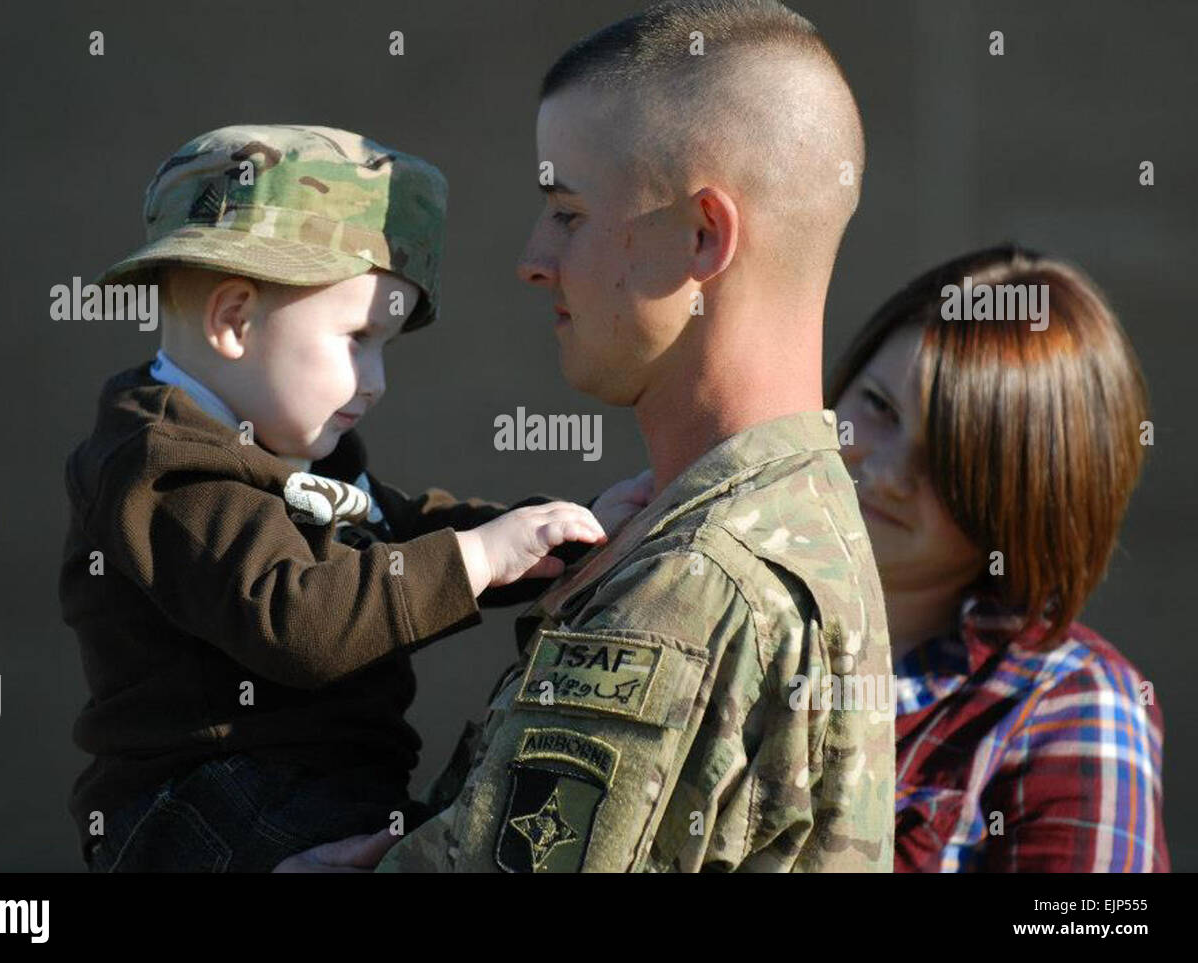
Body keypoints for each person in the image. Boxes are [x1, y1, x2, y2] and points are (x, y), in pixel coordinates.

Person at [281, 0, 894, 873]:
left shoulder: (697, 581)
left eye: (567, 212)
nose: (534, 257)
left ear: (702, 236)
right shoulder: (797, 516)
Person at [60, 124, 647, 872]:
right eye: (356, 339)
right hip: (208, 810)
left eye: (385, 347)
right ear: (234, 320)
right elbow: (297, 616)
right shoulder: (165, 469)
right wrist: (475, 557)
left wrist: (549, 531)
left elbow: (392, 532)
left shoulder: (292, 444)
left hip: (320, 788)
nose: (376, 380)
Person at [827, 244, 1169, 872]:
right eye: (879, 406)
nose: (889, 473)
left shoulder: (1073, 703)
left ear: (1030, 499)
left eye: (949, 457)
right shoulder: (707, 597)